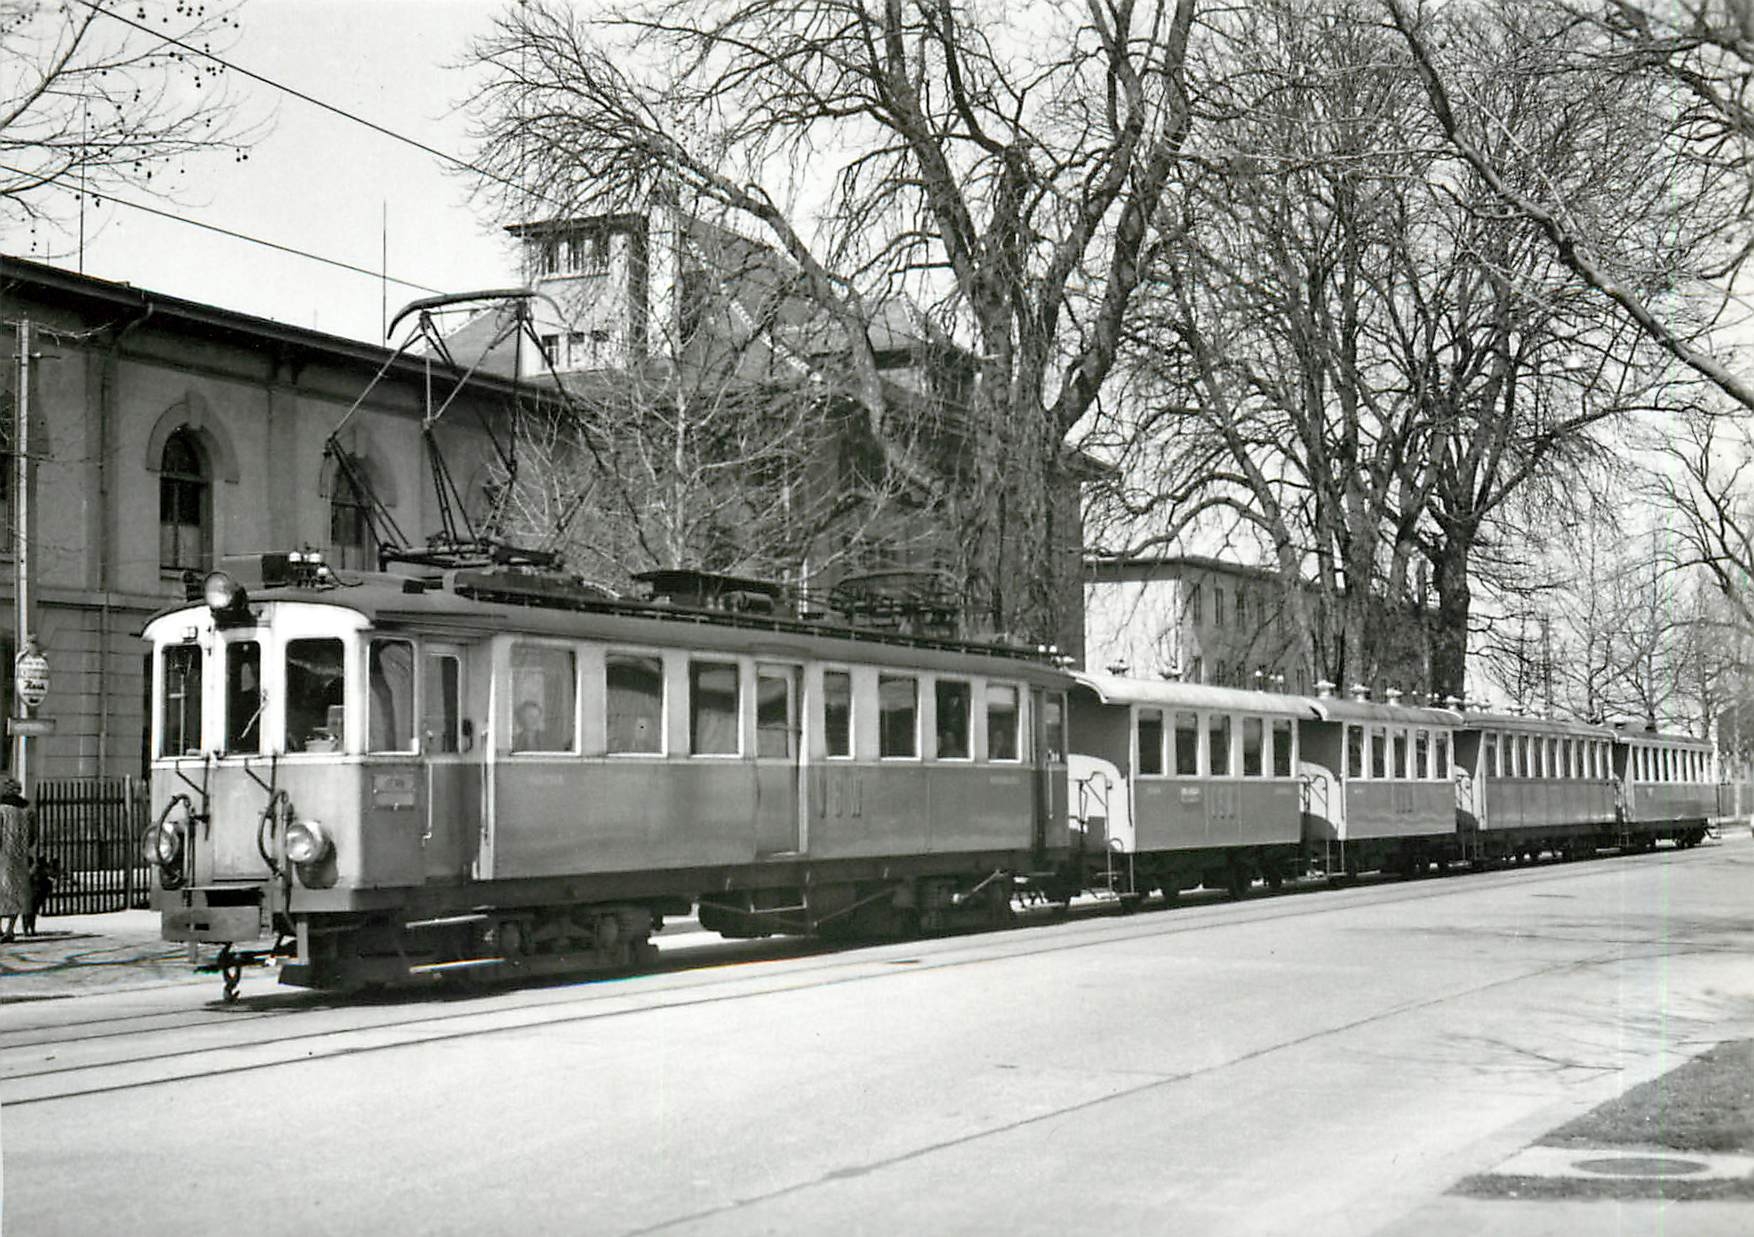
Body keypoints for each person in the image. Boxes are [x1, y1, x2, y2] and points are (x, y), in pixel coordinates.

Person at [0, 774, 35, 942]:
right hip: (19, 857)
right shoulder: (27, 811)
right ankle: (10, 929)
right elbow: (33, 836)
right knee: (17, 891)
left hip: (2, 855)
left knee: (2, 890)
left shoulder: (1, 809)